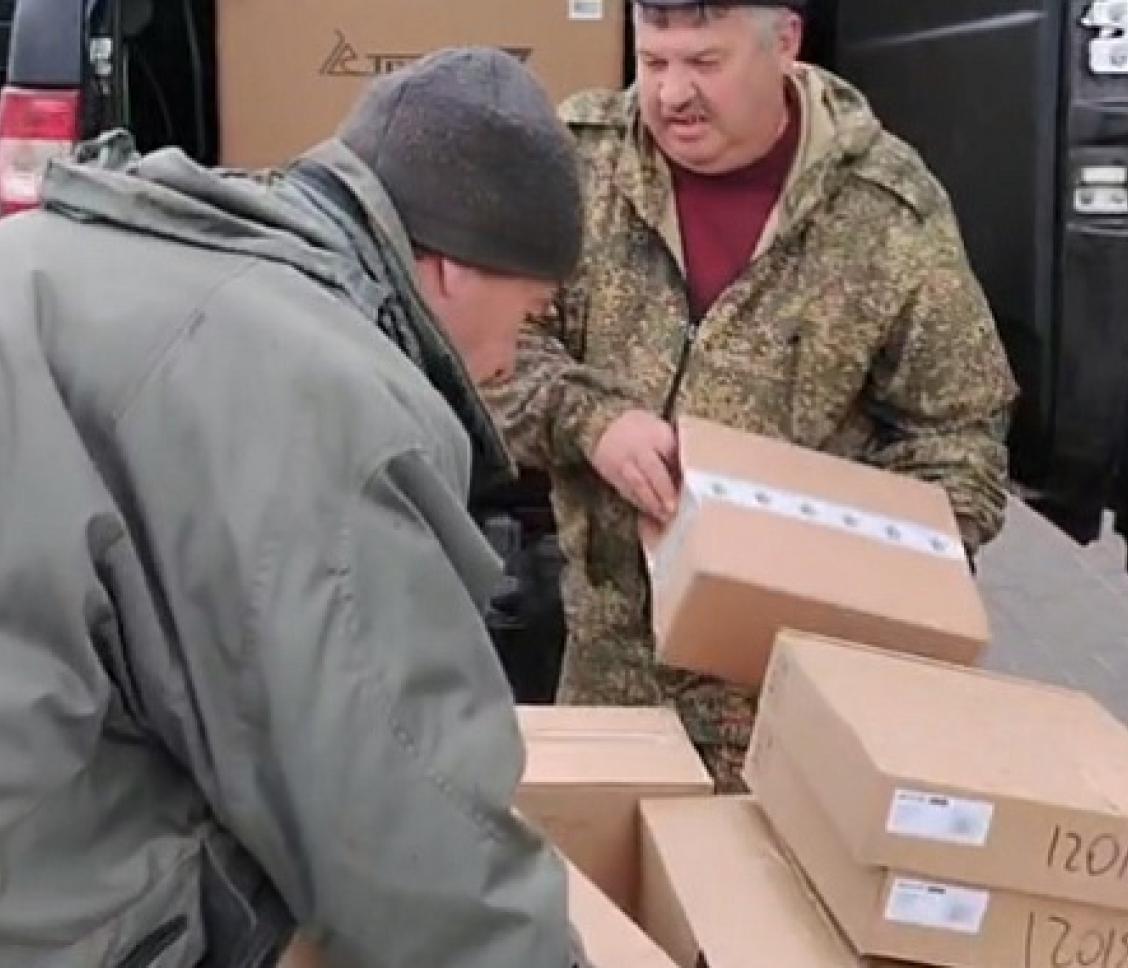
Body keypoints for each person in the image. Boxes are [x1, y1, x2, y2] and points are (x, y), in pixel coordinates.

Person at [0, 48, 591, 967]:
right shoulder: (322, 392)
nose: (513, 359)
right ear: (454, 268)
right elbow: (403, 838)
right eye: (532, 312)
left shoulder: (65, 249)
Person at [484, 0, 1019, 791]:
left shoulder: (883, 209)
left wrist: (854, 570)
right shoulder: (580, 162)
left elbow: (961, 434)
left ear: (785, 44)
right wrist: (592, 420)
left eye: (705, 62)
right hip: (609, 675)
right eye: (654, 61)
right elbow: (488, 347)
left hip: (792, 701)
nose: (672, 94)